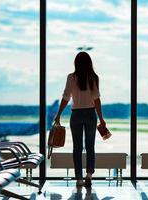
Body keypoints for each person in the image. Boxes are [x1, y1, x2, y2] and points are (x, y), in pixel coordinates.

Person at [54, 52, 106, 188]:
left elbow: (66, 98)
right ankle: (89, 174)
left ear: (76, 63)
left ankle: (79, 178)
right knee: (90, 146)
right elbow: (97, 100)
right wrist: (101, 118)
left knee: (77, 147)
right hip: (90, 114)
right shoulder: (93, 78)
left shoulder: (71, 78)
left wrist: (58, 114)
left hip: (76, 115)